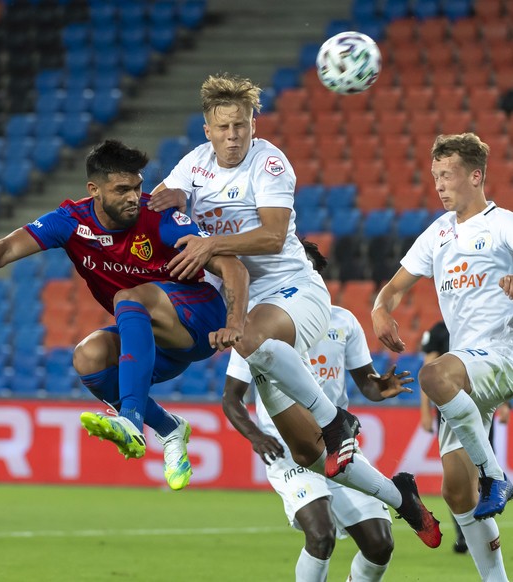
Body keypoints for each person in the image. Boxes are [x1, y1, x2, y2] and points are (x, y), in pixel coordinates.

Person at [148, 73, 441, 548]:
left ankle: (337, 421)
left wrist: (209, 243)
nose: (232, 136)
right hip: (247, 303)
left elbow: (270, 236)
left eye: (241, 125)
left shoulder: (269, 163)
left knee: (248, 337)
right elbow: (159, 204)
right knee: (308, 453)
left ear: (252, 124)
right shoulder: (194, 164)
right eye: (223, 127)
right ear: (207, 129)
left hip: (293, 291)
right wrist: (151, 209)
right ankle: (401, 496)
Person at [0, 139, 250, 491]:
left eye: (138, 187)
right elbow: (9, 246)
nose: (134, 196)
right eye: (122, 190)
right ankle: (168, 429)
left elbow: (232, 266)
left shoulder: (160, 219)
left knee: (129, 297)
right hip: (154, 340)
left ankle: (129, 420)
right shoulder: (71, 221)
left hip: (199, 318)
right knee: (88, 357)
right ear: (93, 190)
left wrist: (235, 323)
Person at [223, 241, 416, 582]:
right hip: (292, 452)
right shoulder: (256, 329)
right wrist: (256, 435)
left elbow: (367, 384)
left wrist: (381, 388)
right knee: (321, 534)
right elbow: (231, 399)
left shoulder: (344, 321)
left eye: (307, 268)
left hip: (338, 446)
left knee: (380, 544)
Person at [373, 133, 513, 580]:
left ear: (475, 176)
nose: (439, 185)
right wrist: (379, 309)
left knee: (433, 375)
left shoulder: (504, 225)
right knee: (457, 494)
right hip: (467, 370)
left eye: (447, 175)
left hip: (502, 352)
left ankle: (496, 474)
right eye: (435, 176)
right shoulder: (438, 233)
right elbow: (395, 288)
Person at [421, 320, 512, 554]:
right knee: (456, 478)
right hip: (451, 405)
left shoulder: (483, 322)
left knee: (477, 467)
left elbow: (485, 367)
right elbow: (429, 364)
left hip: (480, 397)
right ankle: (464, 535)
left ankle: (492, 481)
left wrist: (501, 402)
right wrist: (424, 409)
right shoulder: (440, 329)